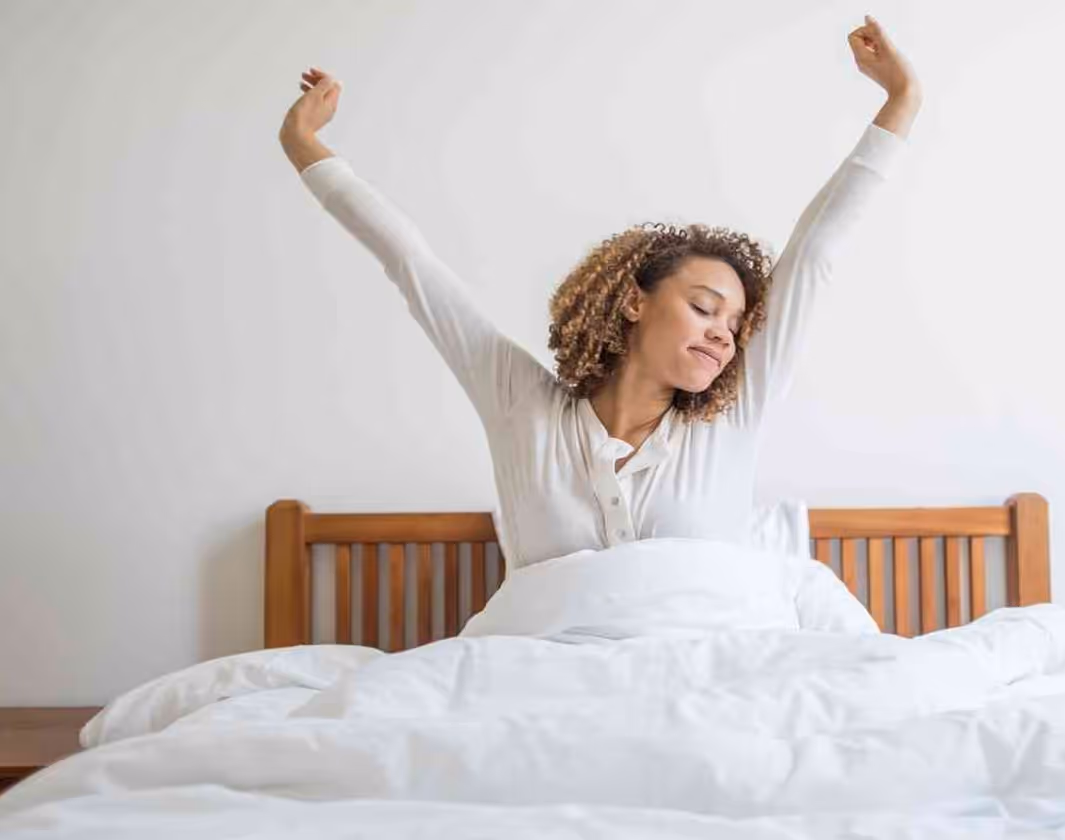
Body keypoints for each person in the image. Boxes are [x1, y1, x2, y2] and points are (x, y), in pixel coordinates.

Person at [278, 15, 922, 572]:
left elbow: (815, 254)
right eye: (703, 307)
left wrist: (901, 102)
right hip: (549, 684)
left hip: (709, 679)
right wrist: (305, 149)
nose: (725, 333)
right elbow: (411, 264)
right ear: (635, 301)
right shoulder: (519, 403)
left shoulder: (734, 415)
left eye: (735, 321)